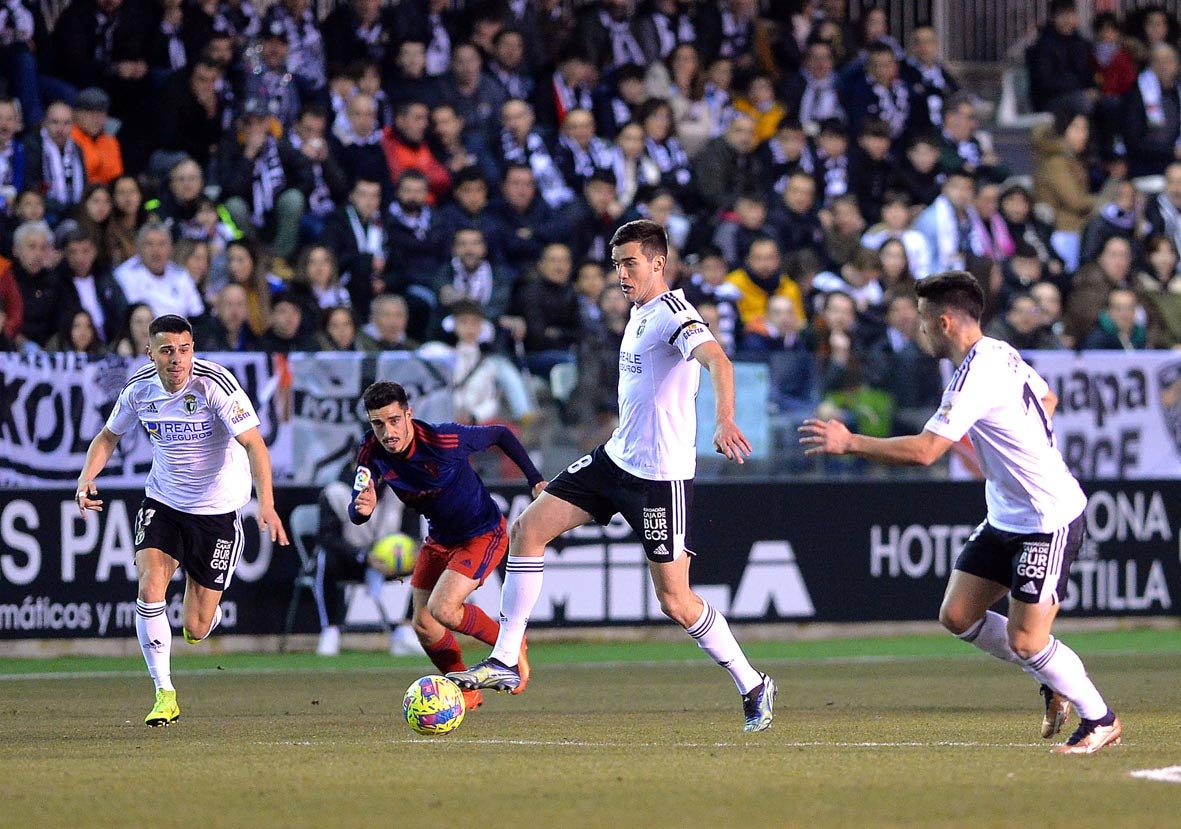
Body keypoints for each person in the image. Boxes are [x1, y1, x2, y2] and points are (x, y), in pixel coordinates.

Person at [448, 220, 778, 734]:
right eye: (617, 263)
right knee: (527, 530)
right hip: (615, 460)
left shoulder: (675, 314)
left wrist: (724, 417)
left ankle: (752, 683)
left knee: (675, 601)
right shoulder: (638, 313)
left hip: (659, 479)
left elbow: (717, 361)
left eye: (630, 263)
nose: (620, 273)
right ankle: (507, 658)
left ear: (657, 264)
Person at [799, 270, 1122, 754]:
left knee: (1030, 640)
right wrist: (1016, 445)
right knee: (958, 615)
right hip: (1005, 513)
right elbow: (1047, 398)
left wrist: (849, 443)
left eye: (925, 322)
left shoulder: (976, 373)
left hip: (1045, 518)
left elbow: (926, 451)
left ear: (945, 322)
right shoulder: (1000, 351)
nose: (920, 331)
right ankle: (1056, 679)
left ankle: (1100, 719)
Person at [76, 314, 289, 727]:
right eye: (168, 350)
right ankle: (164, 691)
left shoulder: (215, 385)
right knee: (150, 583)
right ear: (150, 352)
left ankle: (208, 616)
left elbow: (254, 444)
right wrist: (87, 477)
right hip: (165, 501)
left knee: (194, 626)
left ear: (193, 349)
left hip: (217, 511)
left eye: (185, 349)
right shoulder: (138, 389)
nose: (177, 360)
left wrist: (266, 503)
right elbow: (108, 437)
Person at [349, 380, 547, 711]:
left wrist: (535, 480)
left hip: (482, 534)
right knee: (424, 625)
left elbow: (500, 433)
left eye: (394, 420)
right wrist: (360, 510)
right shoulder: (370, 450)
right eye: (378, 424)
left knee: (444, 609)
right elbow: (358, 506)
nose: (388, 432)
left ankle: (510, 644)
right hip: (439, 538)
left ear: (409, 415)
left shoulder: (444, 439)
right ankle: (467, 692)